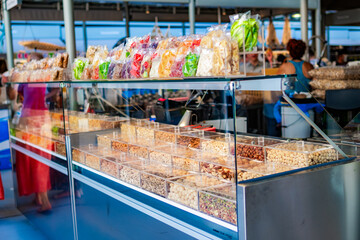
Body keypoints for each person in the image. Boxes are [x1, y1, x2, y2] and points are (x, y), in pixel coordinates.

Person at [7, 52, 52, 212]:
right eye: (28, 61)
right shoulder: (24, 78)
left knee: (40, 159)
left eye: (32, 60)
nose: (29, 63)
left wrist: (46, 96)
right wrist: (10, 82)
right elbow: (14, 96)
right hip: (27, 119)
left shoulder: (46, 76)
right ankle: (38, 196)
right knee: (29, 158)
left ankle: (45, 199)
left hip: (39, 119)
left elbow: (57, 91)